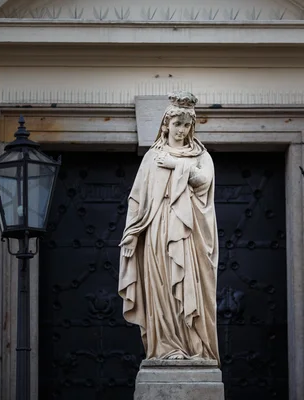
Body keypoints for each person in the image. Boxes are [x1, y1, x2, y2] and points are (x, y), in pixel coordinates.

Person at [118, 92, 220, 363]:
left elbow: (203, 181)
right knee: (162, 288)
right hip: (156, 230)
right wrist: (130, 235)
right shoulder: (152, 157)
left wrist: (177, 165)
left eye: (186, 125)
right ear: (166, 125)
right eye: (177, 124)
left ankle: (194, 347)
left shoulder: (201, 155)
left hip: (189, 233)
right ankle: (165, 348)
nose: (181, 130)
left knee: (188, 286)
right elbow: (137, 199)